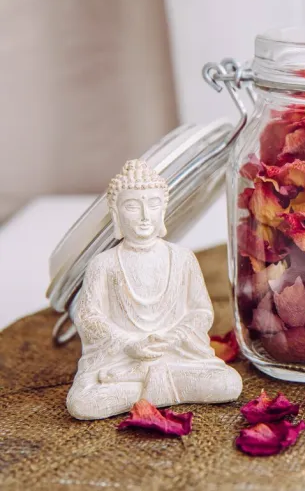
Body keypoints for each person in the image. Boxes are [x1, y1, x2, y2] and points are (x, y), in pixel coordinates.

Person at [66, 160, 241, 420]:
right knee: (82, 404)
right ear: (116, 213)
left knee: (229, 384)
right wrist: (130, 344)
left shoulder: (182, 258)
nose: (145, 215)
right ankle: (158, 385)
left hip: (173, 355)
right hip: (122, 360)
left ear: (164, 209)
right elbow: (89, 317)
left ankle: (144, 384)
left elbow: (201, 311)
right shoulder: (104, 263)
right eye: (133, 206)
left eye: (153, 204)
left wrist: (172, 338)